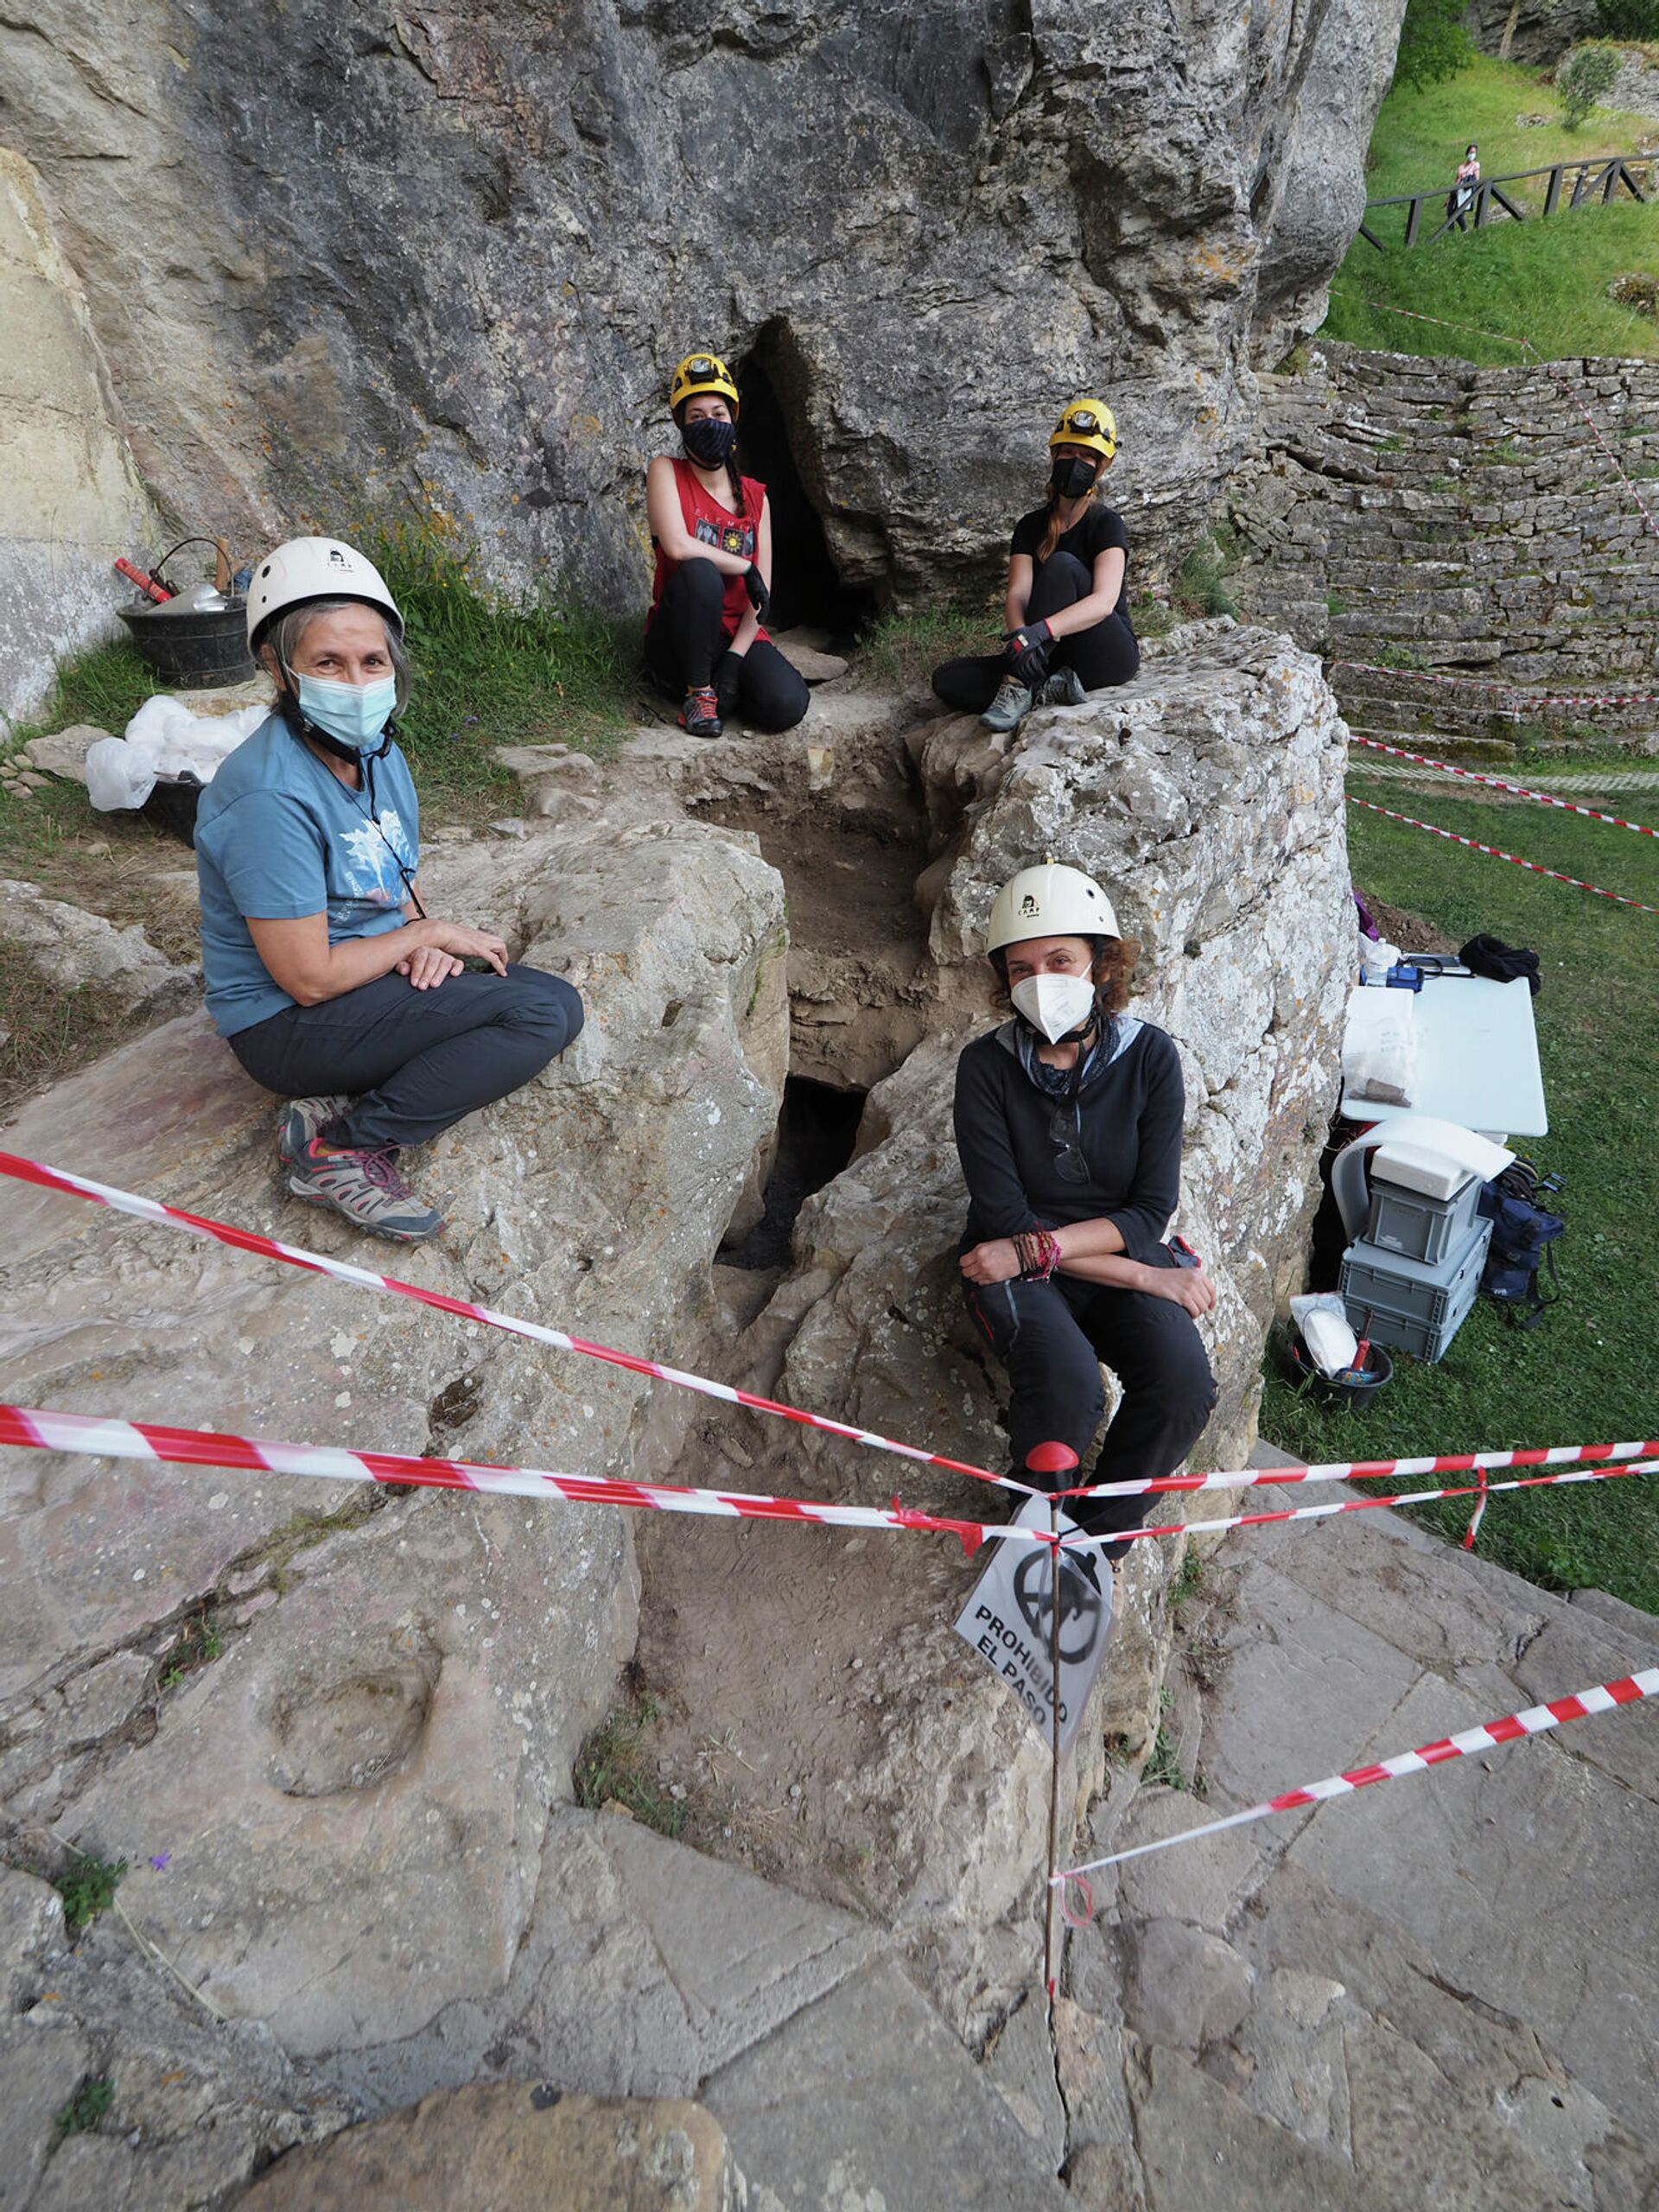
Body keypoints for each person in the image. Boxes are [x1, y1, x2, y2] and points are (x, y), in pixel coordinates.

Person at [194, 536, 583, 1243]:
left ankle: (340, 1103)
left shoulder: (375, 754)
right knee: (537, 1015)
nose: (357, 682)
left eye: (372, 661)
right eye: (328, 663)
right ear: (279, 671)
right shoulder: (268, 797)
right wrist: (424, 936)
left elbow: (391, 870)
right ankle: (341, 1147)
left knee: (543, 996)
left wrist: (414, 938)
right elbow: (308, 979)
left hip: (360, 980)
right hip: (285, 1025)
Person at [953, 861, 1218, 1557]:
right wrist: (1148, 1278)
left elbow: (1149, 1210)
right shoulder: (986, 1068)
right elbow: (1008, 1219)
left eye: (1060, 959)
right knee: (1068, 1390)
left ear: (1101, 965)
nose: (1039, 979)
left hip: (1083, 1248)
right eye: (1019, 968)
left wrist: (1038, 1250)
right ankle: (1033, 1534)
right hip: (1037, 1267)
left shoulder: (1150, 1058)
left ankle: (1094, 1547)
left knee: (1183, 1384)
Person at [931, 398, 1139, 737]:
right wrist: (1019, 639)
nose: (1077, 462)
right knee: (948, 678)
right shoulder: (1030, 526)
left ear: (1102, 466)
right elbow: (1018, 593)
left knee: (1062, 566)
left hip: (1106, 651)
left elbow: (1104, 602)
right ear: (1055, 455)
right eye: (1069, 452)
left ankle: (1019, 685)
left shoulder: (1106, 523)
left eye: (1087, 456)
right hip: (1048, 654)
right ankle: (1046, 688)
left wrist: (1040, 632)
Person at [645, 351, 810, 741]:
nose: (709, 424)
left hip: (735, 633)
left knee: (787, 704)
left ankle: (724, 693)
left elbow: (761, 596)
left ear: (733, 419)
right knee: (701, 573)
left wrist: (735, 661)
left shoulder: (755, 497)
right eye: (696, 416)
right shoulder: (665, 471)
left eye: (718, 414)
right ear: (681, 424)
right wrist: (744, 567)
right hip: (682, 630)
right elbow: (678, 545)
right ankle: (696, 692)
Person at [1448, 143, 1480, 232]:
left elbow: (1476, 180)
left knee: (1459, 214)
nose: (1472, 154)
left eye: (1474, 152)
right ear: (1467, 153)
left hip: (1465, 193)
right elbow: (1457, 181)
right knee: (1450, 212)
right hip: (1457, 191)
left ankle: (1465, 231)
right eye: (1471, 152)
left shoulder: (1475, 165)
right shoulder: (1461, 167)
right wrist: (1449, 196)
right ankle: (1450, 232)